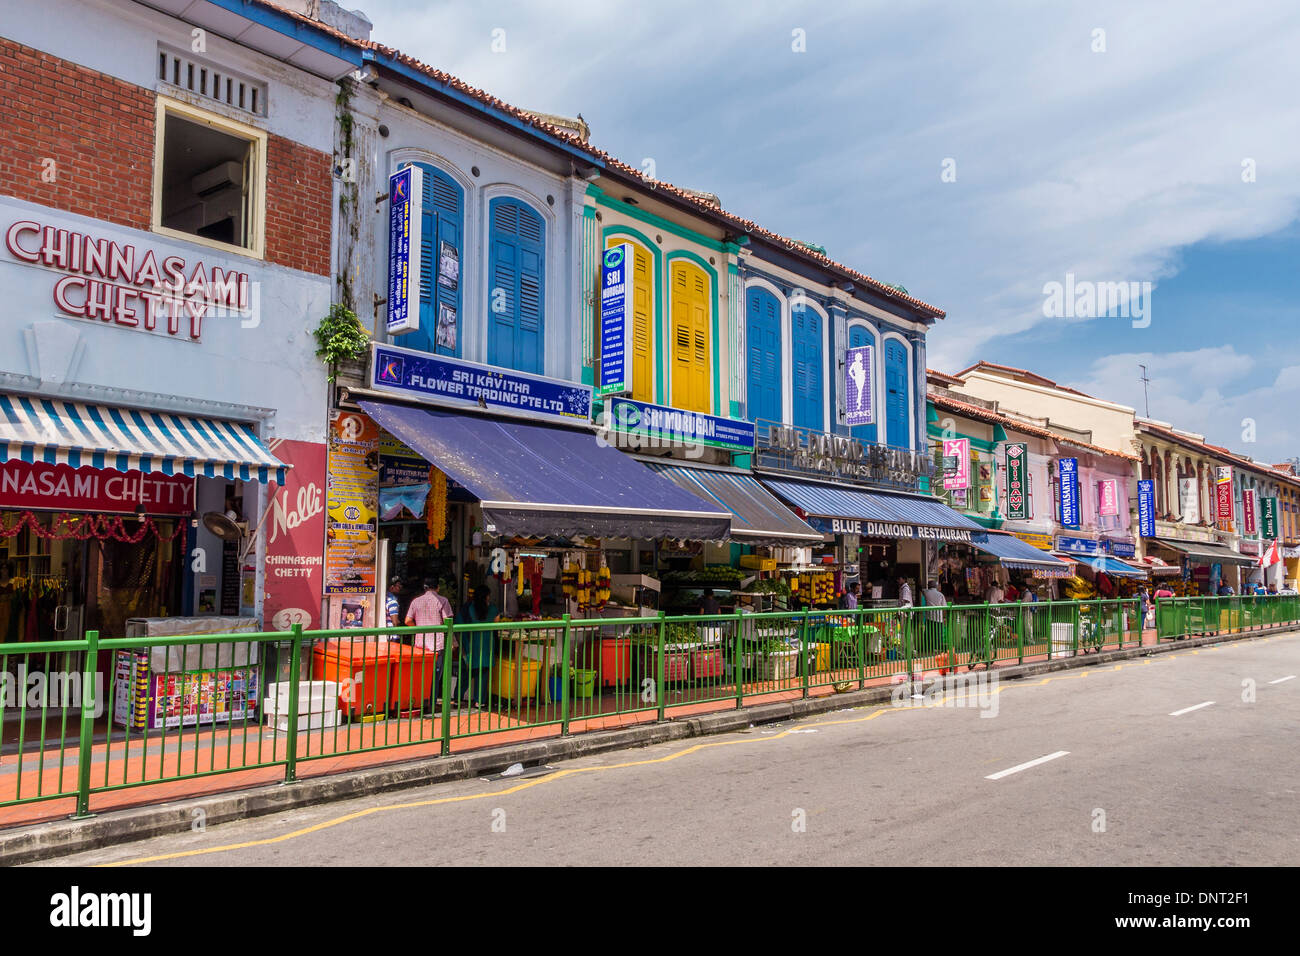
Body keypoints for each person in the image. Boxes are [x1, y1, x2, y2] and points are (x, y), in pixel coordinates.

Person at [406, 578, 453, 704]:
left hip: (420, 645)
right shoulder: (443, 601)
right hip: (437, 644)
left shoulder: (416, 601)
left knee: (421, 675)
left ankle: (420, 702)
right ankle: (431, 704)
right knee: (435, 676)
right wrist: (453, 642)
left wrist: (419, 630)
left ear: (425, 588)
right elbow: (448, 622)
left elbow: (407, 621)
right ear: (437, 587)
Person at [457, 586, 499, 708]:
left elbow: (458, 623)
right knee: (483, 675)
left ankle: (457, 699)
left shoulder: (467, 608)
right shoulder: (492, 609)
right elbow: (497, 622)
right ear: (486, 597)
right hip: (486, 646)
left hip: (470, 646)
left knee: (465, 674)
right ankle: (479, 701)